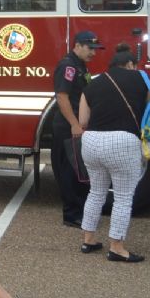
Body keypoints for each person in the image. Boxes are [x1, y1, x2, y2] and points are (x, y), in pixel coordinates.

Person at [77, 43, 148, 262]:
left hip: (91, 142)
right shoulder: (141, 78)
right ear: (130, 64)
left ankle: (88, 240)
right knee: (123, 198)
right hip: (123, 141)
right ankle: (116, 247)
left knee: (96, 192)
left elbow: (83, 121)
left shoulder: (92, 84)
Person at [51, 31, 100, 227]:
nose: (93, 53)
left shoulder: (79, 65)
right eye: (90, 49)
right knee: (69, 172)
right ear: (78, 45)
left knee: (78, 171)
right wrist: (74, 124)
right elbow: (62, 97)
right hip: (67, 127)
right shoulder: (68, 66)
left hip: (76, 126)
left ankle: (79, 211)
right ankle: (71, 215)